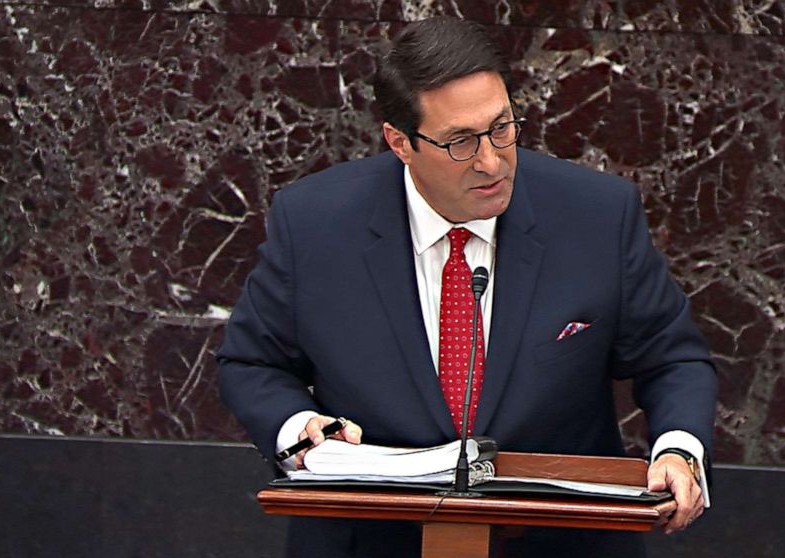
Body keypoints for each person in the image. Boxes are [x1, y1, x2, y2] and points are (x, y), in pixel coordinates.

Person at [217, 16, 717, 558]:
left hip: (558, 543)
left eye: (501, 128)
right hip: (370, 541)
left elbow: (672, 359)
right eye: (459, 141)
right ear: (400, 142)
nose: (490, 161)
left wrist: (679, 450)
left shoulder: (596, 216)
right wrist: (301, 429)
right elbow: (252, 363)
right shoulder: (315, 223)